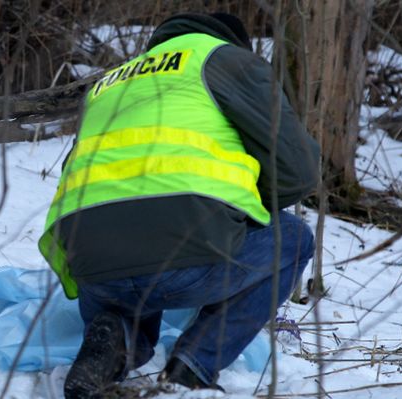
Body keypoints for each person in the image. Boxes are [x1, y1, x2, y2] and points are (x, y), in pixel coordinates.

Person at [38, 12, 320, 398]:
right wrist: (242, 201)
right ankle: (194, 364)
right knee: (294, 239)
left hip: (92, 265)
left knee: (129, 278)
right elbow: (298, 170)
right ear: (236, 42)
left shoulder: (110, 81)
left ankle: (114, 336)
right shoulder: (226, 60)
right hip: (185, 256)